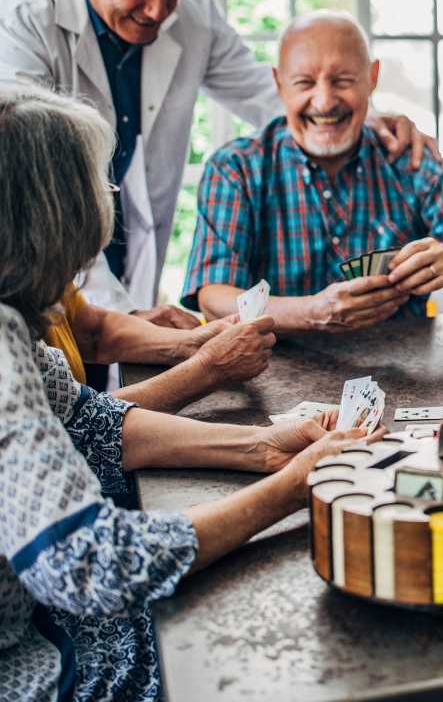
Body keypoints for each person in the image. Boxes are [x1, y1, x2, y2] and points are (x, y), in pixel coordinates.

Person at [0, 83, 376, 701]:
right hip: (30, 661)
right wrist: (289, 490)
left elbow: (88, 423)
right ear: (52, 218)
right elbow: (97, 564)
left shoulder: (12, 322)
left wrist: (265, 447)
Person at [0, 0, 430, 325]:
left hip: (124, 220)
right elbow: (35, 183)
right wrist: (121, 317)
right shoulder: (25, 16)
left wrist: (370, 120)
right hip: (43, 232)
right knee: (64, 353)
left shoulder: (191, 12)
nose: (158, 11)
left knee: (118, 367)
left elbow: (266, 93)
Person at [183, 11, 443, 330]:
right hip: (270, 371)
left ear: (372, 78)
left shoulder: (413, 162)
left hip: (403, 375)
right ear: (278, 83)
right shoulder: (235, 169)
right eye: (304, 82)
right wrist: (312, 311)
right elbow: (214, 299)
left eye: (342, 81)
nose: (324, 101)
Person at [43, 282, 273, 412]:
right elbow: (80, 420)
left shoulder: (50, 272)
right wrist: (208, 369)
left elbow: (93, 331)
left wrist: (190, 343)